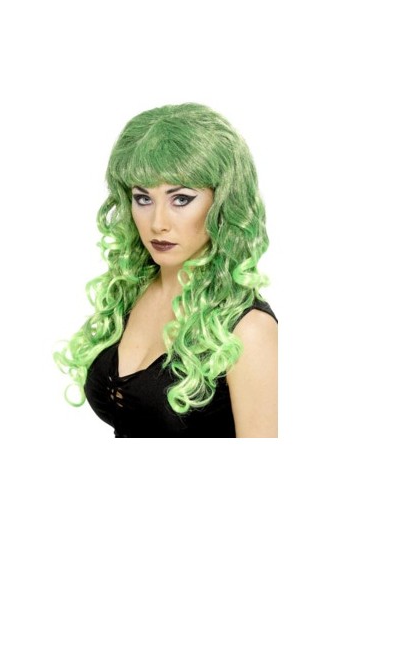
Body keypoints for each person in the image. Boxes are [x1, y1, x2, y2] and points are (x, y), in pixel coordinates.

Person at [53, 103, 277, 438]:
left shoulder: (249, 329)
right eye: (143, 199)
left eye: (181, 199)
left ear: (222, 203)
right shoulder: (131, 293)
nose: (158, 223)